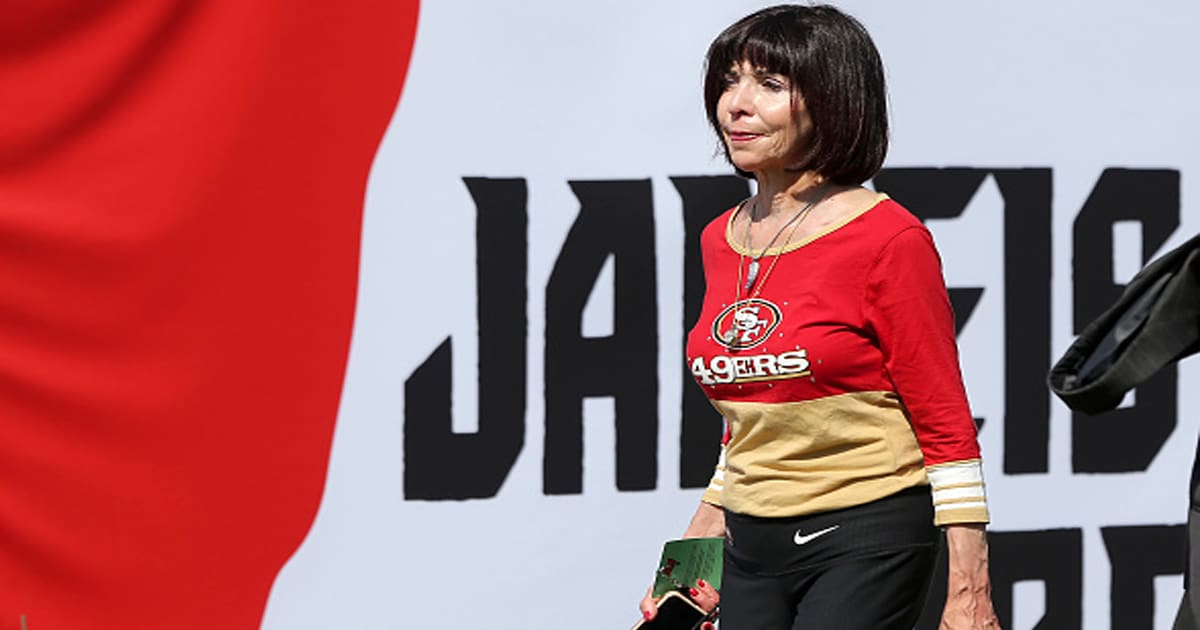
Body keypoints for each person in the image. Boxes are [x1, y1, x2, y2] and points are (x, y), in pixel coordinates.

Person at [638, 5, 1000, 629]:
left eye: (769, 85)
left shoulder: (888, 237)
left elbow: (944, 421)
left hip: (867, 529)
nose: (736, 104)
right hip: (750, 542)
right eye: (729, 80)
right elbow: (753, 414)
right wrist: (699, 540)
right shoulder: (720, 240)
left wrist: (969, 590)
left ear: (833, 102)